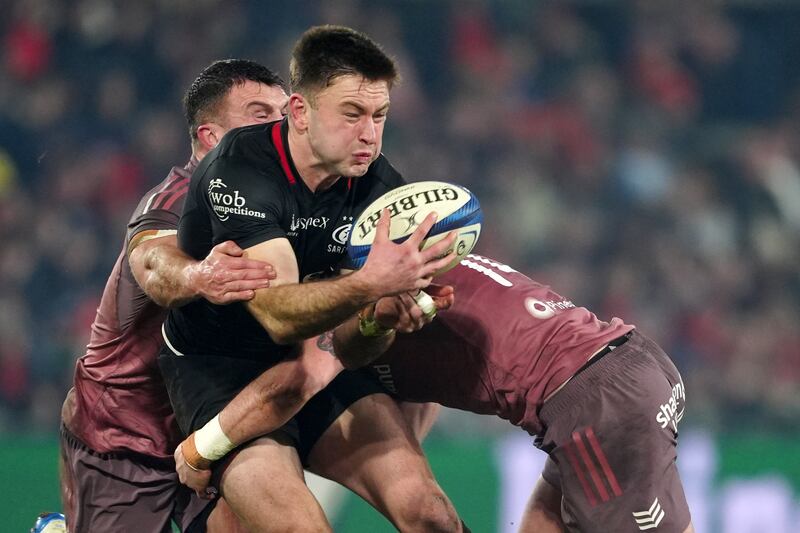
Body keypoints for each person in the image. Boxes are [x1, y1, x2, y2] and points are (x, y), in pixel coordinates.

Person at [159, 25, 466, 532]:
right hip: (220, 372)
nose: (369, 134)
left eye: (379, 116)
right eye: (352, 114)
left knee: (430, 514)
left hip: (315, 368)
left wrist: (381, 318)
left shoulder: (381, 187)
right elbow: (279, 317)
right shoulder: (240, 169)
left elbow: (350, 345)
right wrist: (370, 286)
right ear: (299, 113)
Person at [180, 253, 695, 533]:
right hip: (624, 367)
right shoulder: (415, 266)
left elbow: (292, 383)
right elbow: (427, 390)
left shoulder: (359, 296)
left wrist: (200, 448)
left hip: (593, 401)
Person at [59, 59, 287, 533]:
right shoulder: (176, 200)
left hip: (210, 421)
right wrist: (201, 274)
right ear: (210, 137)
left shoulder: (279, 206)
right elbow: (153, 262)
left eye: (284, 115)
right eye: (261, 114)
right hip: (126, 433)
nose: (280, 128)